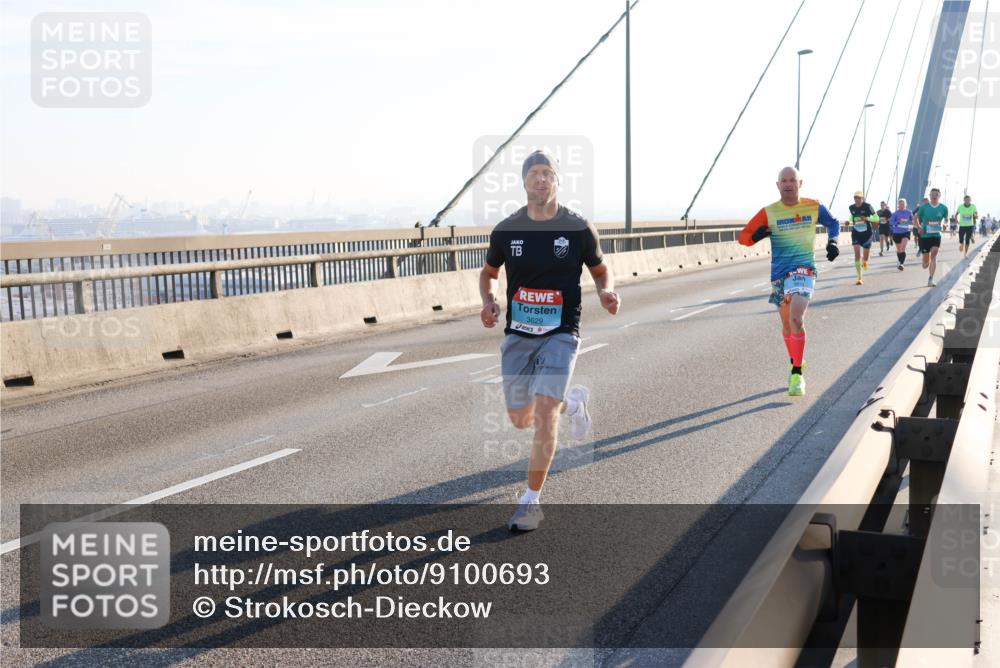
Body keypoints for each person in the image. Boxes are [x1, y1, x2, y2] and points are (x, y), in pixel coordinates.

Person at [480, 149, 620, 532]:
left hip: (562, 331)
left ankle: (530, 501)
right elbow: (489, 272)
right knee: (520, 419)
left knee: (543, 415)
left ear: (557, 181)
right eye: (534, 173)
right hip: (519, 335)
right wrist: (489, 299)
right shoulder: (507, 230)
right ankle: (572, 404)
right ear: (524, 182)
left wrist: (606, 292)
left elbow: (601, 269)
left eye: (548, 173)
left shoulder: (577, 228)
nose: (541, 179)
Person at [739, 166, 841, 397]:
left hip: (804, 270)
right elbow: (743, 238)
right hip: (780, 275)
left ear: (800, 183)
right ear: (777, 185)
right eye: (783, 180)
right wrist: (757, 235)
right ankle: (797, 358)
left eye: (792, 180)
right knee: (787, 324)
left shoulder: (813, 206)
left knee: (797, 317)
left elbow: (834, 223)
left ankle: (796, 374)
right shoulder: (769, 212)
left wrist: (833, 241)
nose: (787, 184)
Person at [914, 187, 948, 287]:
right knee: (925, 263)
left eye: (936, 194)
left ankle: (931, 279)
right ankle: (925, 260)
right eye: (932, 194)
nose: (934, 196)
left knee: (934, 254)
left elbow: (946, 219)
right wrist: (919, 227)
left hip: (936, 235)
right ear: (930, 196)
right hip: (925, 236)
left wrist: (945, 224)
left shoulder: (943, 208)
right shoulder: (924, 207)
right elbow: (915, 217)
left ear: (939, 196)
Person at [848, 191, 876, 285]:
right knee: (857, 254)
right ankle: (859, 278)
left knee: (865, 257)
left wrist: (867, 219)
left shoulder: (868, 206)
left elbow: (876, 218)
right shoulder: (851, 207)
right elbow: (852, 216)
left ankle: (865, 261)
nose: (857, 199)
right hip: (856, 232)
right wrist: (848, 221)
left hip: (867, 233)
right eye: (856, 197)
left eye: (859, 198)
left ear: (862, 198)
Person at [889, 198, 914, 271]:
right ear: (898, 205)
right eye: (900, 204)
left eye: (903, 204)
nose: (902, 206)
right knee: (899, 249)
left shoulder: (909, 212)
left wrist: (912, 222)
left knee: (903, 247)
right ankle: (899, 261)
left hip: (905, 232)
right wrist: (897, 223)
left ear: (906, 205)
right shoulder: (895, 213)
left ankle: (902, 264)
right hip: (896, 233)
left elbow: (912, 220)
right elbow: (891, 222)